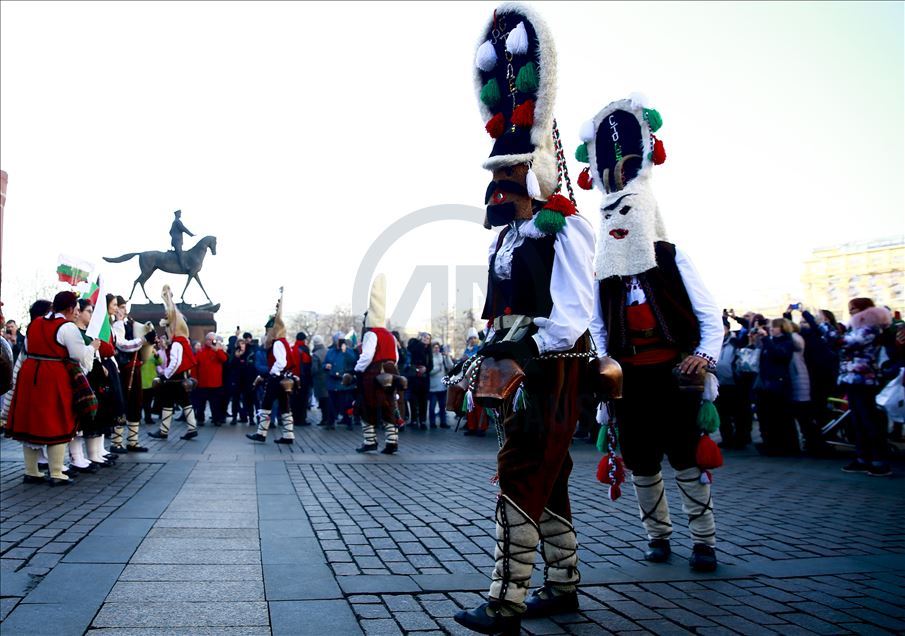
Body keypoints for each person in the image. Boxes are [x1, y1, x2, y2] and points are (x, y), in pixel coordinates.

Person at [454, 7, 597, 631]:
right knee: (551, 474)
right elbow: (503, 309)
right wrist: (486, 349)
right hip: (519, 362)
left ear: (533, 175)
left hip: (554, 367)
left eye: (510, 177)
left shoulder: (564, 228)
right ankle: (562, 585)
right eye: (496, 178)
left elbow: (572, 309)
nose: (498, 189)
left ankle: (505, 600)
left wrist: (528, 349)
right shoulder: (503, 238)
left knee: (521, 468)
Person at [583, 96, 723, 576]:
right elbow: (599, 328)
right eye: (610, 216)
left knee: (685, 455)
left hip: (672, 373)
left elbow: (709, 316)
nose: (617, 223)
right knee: (641, 459)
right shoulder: (603, 275)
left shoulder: (672, 257)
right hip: (630, 380)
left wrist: (703, 356)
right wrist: (606, 366)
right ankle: (657, 536)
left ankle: (702, 540)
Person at [5, 292, 99, 485]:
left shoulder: (36, 323)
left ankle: (31, 471)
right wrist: (93, 348)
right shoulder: (67, 328)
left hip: (30, 374)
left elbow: (29, 348)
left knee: (30, 421)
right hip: (53, 376)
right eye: (77, 309)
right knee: (58, 419)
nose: (77, 313)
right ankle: (56, 472)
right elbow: (79, 355)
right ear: (71, 308)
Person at [838, 298, 893, 476]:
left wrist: (819, 327)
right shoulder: (860, 328)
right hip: (854, 378)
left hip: (865, 379)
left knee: (869, 421)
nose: (851, 313)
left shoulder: (870, 327)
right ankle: (863, 458)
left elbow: (846, 342)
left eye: (853, 309)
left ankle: (879, 461)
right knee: (858, 421)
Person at [353, 275, 403, 453]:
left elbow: (367, 355)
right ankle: (392, 441)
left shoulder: (371, 333)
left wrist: (357, 369)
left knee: (365, 406)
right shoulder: (390, 335)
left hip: (373, 375)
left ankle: (370, 441)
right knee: (390, 406)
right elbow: (396, 356)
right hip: (391, 371)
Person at [246, 291, 298, 444]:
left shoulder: (277, 343)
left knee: (266, 404)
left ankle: (261, 434)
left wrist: (272, 374)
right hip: (284, 378)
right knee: (284, 406)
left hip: (278, 378)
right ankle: (288, 435)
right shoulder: (282, 342)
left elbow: (281, 362)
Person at [148, 285, 199, 441]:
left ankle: (166, 431)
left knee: (170, 402)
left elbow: (175, 362)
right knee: (182, 402)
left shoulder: (177, 342)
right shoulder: (181, 341)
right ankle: (190, 428)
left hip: (174, 378)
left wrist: (165, 375)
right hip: (178, 378)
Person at [110, 296, 151, 453]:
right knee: (122, 402)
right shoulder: (115, 325)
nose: (123, 310)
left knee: (135, 402)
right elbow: (122, 345)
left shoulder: (130, 323)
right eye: (119, 306)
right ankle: (116, 442)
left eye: (124, 306)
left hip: (135, 367)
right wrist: (143, 340)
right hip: (123, 368)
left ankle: (132, 441)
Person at [753, 319, 798, 456]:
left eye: (775, 327)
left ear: (782, 328)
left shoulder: (787, 342)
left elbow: (780, 355)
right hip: (766, 384)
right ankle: (771, 443)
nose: (772, 329)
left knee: (782, 417)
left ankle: (787, 446)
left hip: (779, 384)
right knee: (767, 416)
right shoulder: (770, 342)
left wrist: (766, 339)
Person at [194, 332, 228, 425]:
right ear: (206, 340)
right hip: (203, 383)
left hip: (216, 383)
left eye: (213, 339)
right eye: (209, 339)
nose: (211, 341)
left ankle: (216, 419)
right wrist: (195, 379)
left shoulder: (218, 350)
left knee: (215, 404)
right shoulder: (201, 351)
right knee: (201, 404)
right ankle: (200, 419)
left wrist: (217, 350)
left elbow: (224, 359)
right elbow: (195, 365)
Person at [325, 333, 356, 429]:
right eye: (338, 340)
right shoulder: (330, 351)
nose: (340, 342)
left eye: (342, 340)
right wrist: (326, 366)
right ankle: (330, 422)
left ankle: (349, 421)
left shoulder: (349, 351)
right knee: (331, 404)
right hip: (332, 381)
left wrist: (345, 351)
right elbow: (325, 362)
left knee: (347, 404)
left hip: (344, 381)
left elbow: (353, 361)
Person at [406, 334, 432, 430]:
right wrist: (417, 369)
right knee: (413, 400)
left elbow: (431, 365)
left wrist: (426, 369)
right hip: (414, 378)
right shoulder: (415, 347)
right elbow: (411, 361)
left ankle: (423, 420)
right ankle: (414, 419)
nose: (426, 339)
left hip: (425, 379)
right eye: (424, 337)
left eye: (428, 338)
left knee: (423, 401)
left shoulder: (429, 351)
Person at [428, 342, 453, 429]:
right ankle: (432, 423)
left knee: (443, 407)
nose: (436, 349)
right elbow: (429, 372)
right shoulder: (430, 358)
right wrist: (438, 368)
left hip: (442, 386)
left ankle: (443, 422)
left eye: (438, 348)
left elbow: (451, 366)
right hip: (432, 387)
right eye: (434, 348)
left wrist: (447, 356)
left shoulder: (442, 357)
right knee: (432, 407)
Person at [310, 335, 332, 427]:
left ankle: (324, 419)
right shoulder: (328, 351)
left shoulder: (315, 355)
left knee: (322, 401)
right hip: (329, 379)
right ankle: (329, 419)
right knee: (328, 401)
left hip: (319, 381)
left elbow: (314, 369)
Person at [292, 332, 313, 426]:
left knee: (294, 399)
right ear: (304, 339)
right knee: (303, 400)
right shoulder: (304, 349)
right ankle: (301, 419)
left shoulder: (292, 348)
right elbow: (307, 365)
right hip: (303, 379)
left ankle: (294, 418)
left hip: (293, 378)